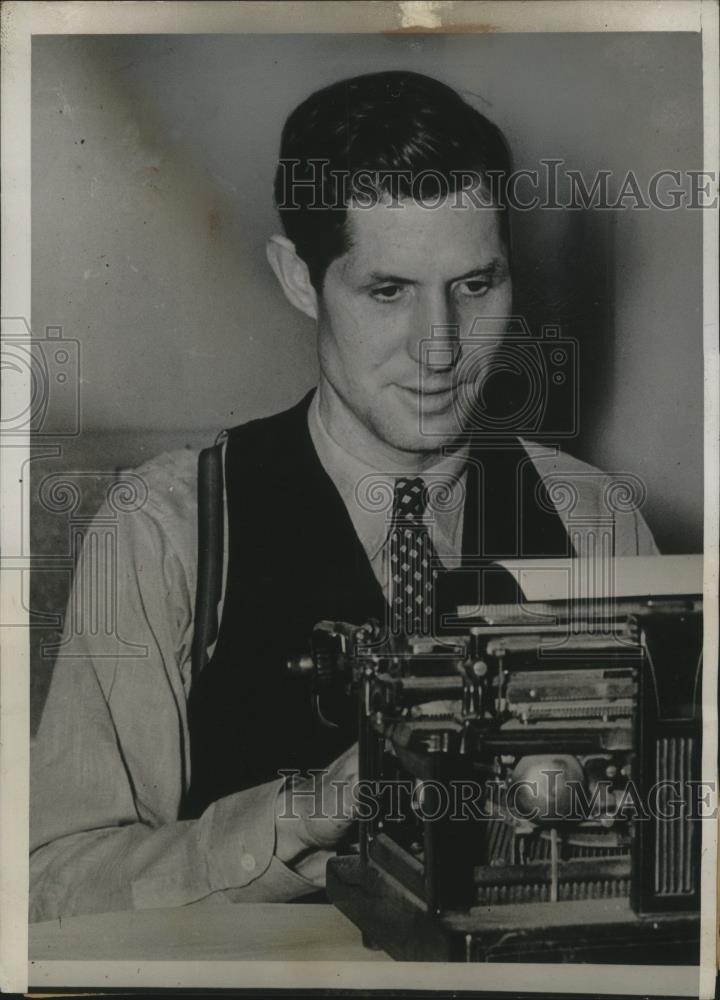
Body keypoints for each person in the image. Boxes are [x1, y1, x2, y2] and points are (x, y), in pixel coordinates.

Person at [30, 71, 658, 922]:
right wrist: (300, 815)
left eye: (476, 286)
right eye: (388, 292)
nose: (441, 350)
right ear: (299, 279)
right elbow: (51, 884)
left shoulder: (600, 522)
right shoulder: (166, 529)